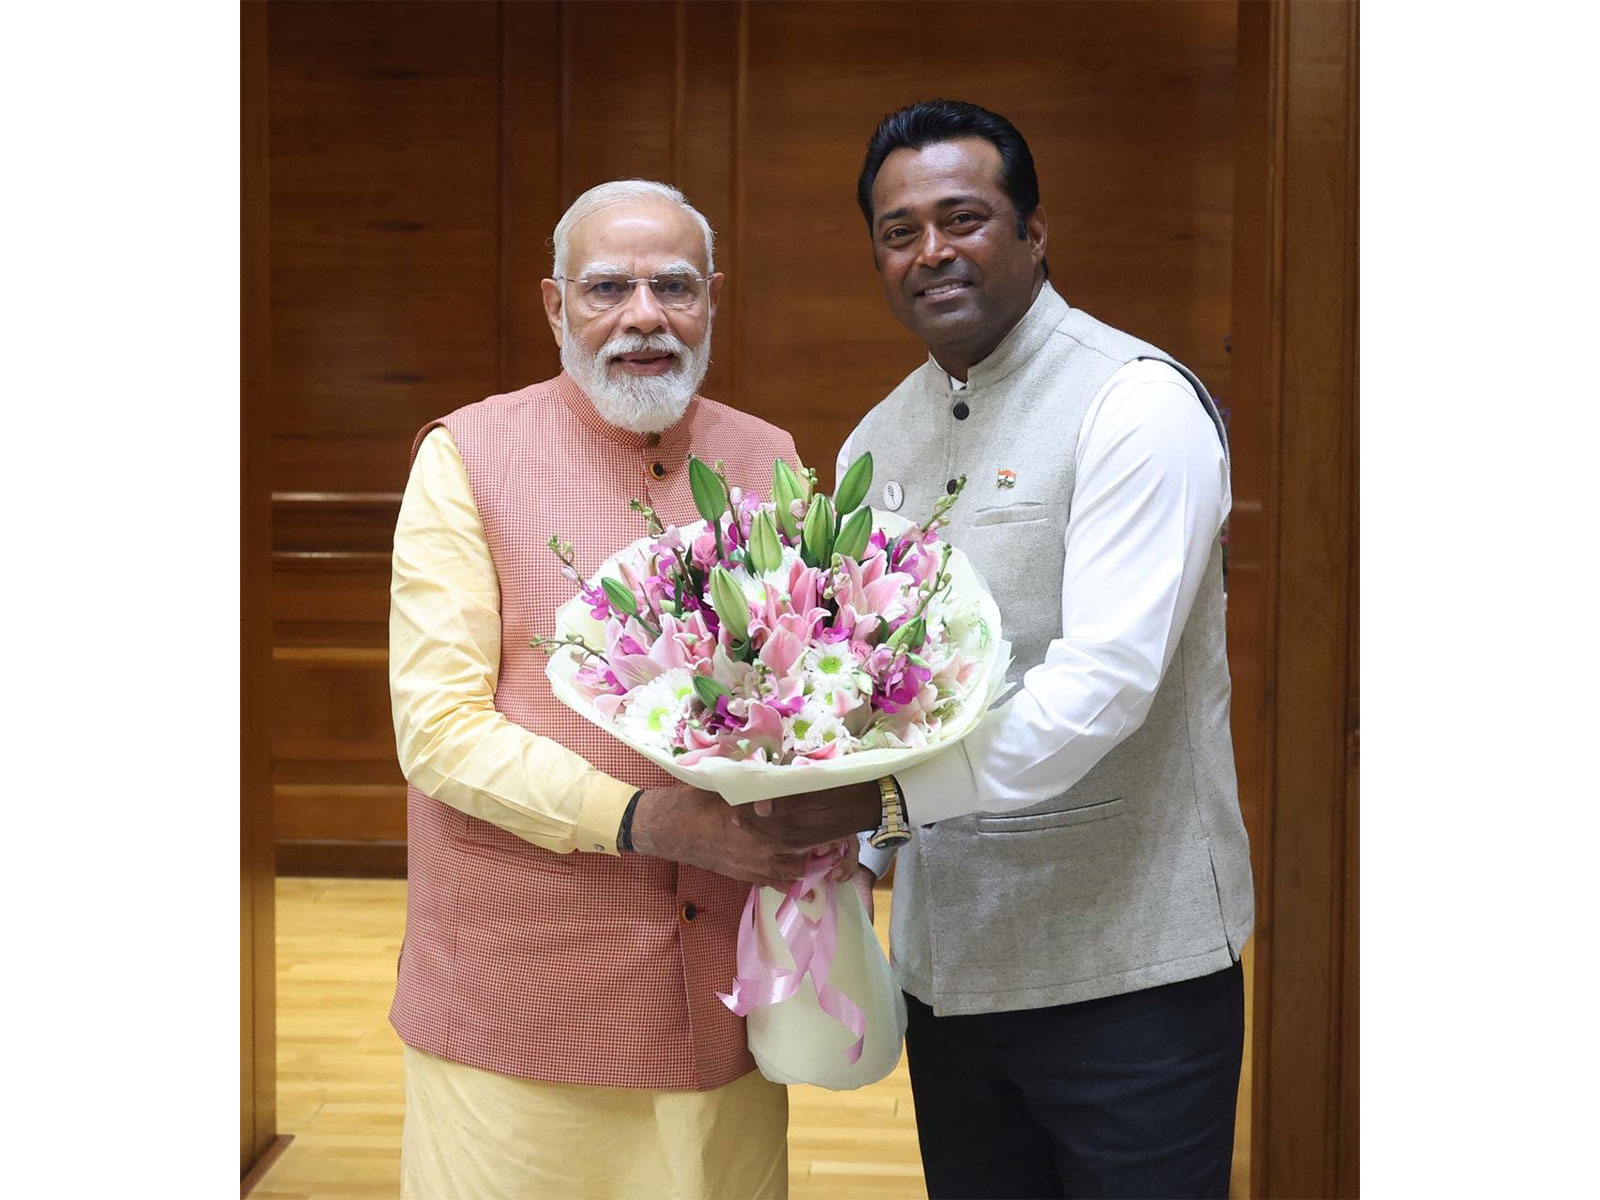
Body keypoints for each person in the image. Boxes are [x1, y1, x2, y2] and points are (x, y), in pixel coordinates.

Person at [739, 100, 1255, 1198]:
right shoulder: (877, 440)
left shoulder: (1135, 404)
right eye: (898, 231)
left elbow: (1105, 686)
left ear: (1033, 230)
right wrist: (841, 856)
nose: (930, 250)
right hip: (953, 974)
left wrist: (880, 802)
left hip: (1130, 972)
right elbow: (867, 694)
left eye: (962, 217)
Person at [387, 179, 849, 1198]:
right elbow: (439, 730)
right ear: (555, 306)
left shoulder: (769, 459)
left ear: (712, 299)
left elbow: (818, 687)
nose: (645, 316)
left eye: (673, 287)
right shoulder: (467, 456)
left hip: (723, 991)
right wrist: (646, 821)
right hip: (520, 994)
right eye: (607, 288)